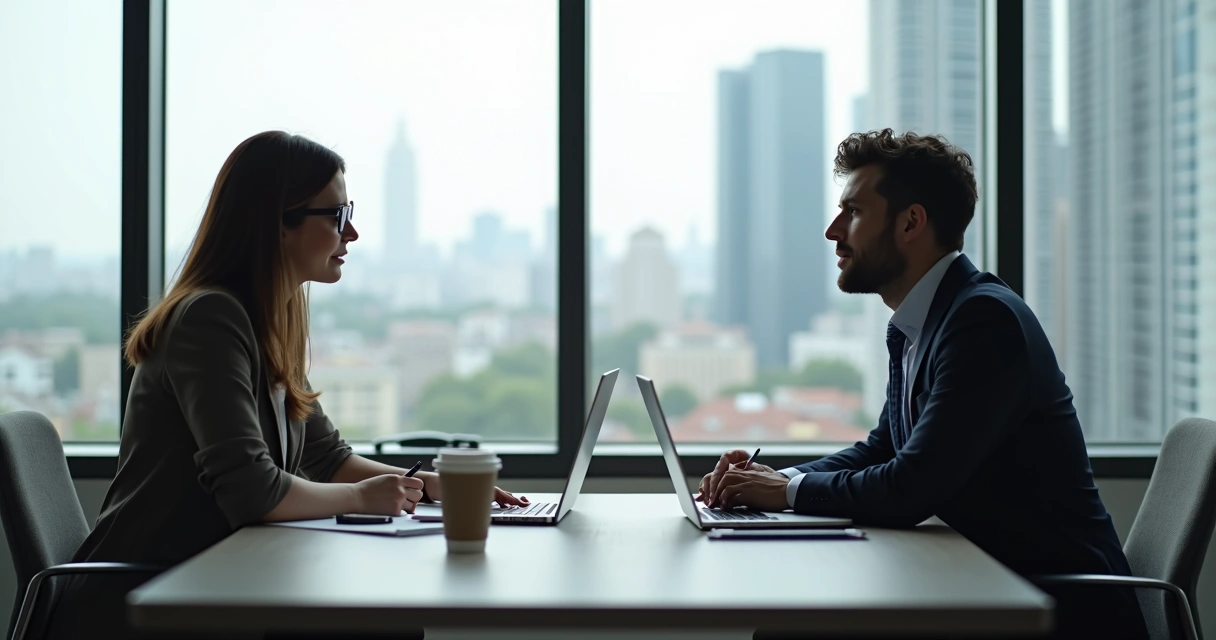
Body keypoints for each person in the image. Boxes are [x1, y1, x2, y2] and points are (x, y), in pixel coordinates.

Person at [47, 131, 528, 640]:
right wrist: (364, 498)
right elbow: (252, 491)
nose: (354, 234)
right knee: (384, 624)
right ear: (278, 225)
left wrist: (427, 484)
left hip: (217, 581)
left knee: (387, 621)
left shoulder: (267, 322)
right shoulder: (209, 319)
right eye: (338, 216)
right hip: (147, 603)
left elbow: (326, 458)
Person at [699, 129, 1149, 640]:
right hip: (981, 584)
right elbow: (883, 448)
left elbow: (909, 487)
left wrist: (785, 493)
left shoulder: (984, 321)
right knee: (795, 622)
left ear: (911, 222)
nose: (832, 230)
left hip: (1053, 608)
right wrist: (771, 478)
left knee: (795, 629)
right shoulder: (922, 324)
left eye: (854, 212)